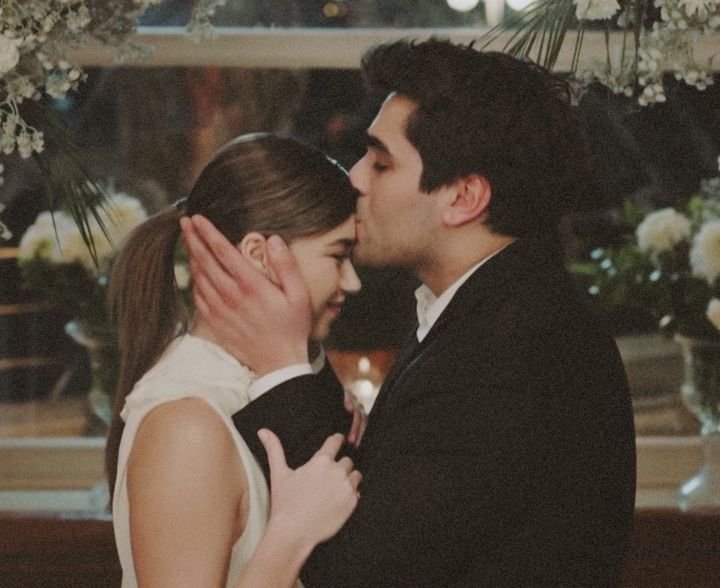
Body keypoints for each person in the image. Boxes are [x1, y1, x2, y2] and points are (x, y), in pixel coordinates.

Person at [181, 39, 637, 586]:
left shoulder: (516, 348)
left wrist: (281, 359)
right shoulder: (487, 310)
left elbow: (358, 570)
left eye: (381, 163)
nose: (354, 179)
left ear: (463, 198)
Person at [105, 132, 364, 587]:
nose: (352, 281)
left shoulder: (280, 385)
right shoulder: (186, 427)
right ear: (261, 256)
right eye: (338, 256)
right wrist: (293, 534)